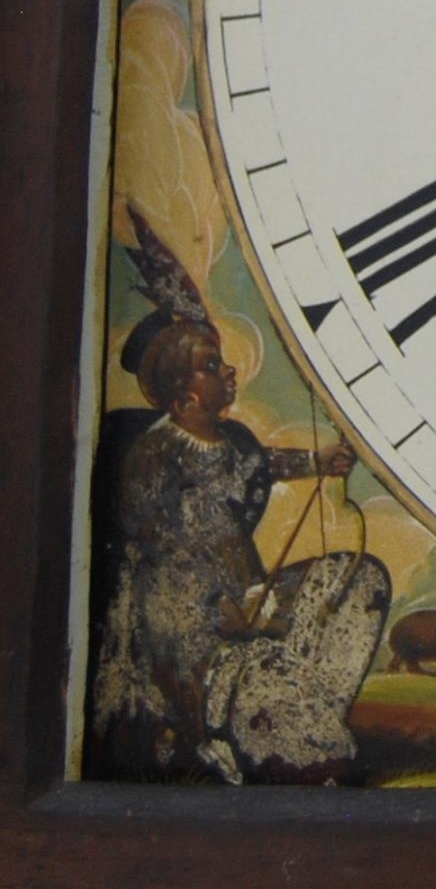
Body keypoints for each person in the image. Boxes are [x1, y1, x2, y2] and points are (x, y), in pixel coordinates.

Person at [89, 209, 388, 781]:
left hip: (247, 601)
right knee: (261, 680)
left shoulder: (230, 440)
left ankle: (304, 703)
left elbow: (257, 464)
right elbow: (159, 552)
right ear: (182, 400)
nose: (228, 371)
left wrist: (317, 462)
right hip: (189, 633)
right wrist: (213, 607)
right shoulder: (153, 458)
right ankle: (247, 720)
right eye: (210, 366)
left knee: (360, 581)